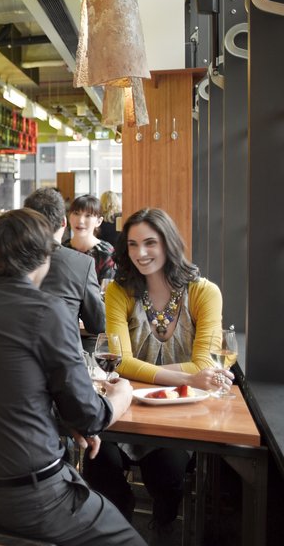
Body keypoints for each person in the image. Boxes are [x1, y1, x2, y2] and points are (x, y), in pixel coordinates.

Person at [0, 209, 143, 546]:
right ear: (42, 259)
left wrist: (64, 422)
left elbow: (8, 390)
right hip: (34, 497)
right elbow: (90, 415)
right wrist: (119, 398)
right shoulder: (45, 310)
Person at [83, 207, 228, 539]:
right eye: (132, 245)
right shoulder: (120, 291)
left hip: (182, 413)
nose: (141, 253)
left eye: (150, 243)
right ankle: (119, 523)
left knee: (166, 470)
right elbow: (120, 362)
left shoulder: (204, 292)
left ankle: (164, 522)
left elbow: (206, 363)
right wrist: (188, 377)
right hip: (124, 409)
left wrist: (151, 372)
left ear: (169, 243)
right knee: (97, 460)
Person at [23, 187, 105, 352]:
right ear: (64, 222)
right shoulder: (82, 263)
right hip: (63, 360)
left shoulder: (9, 259)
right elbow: (98, 324)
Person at [65, 194, 117, 285]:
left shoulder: (106, 253)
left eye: (88, 216)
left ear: (99, 221)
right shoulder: (62, 249)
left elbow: (106, 291)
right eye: (76, 213)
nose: (80, 220)